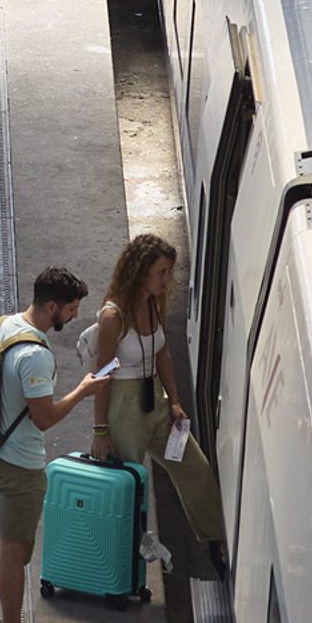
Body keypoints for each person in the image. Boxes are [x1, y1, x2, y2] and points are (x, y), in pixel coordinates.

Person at [0, 263, 114, 623]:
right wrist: (82, 391)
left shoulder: (4, 325)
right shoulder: (35, 355)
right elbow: (44, 417)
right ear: (52, 306)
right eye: (71, 308)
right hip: (19, 467)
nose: (74, 316)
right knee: (13, 551)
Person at [89, 233, 227, 563]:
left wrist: (175, 401)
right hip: (124, 408)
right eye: (161, 272)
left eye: (168, 271)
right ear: (141, 271)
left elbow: (162, 352)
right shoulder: (113, 317)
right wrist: (101, 430)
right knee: (129, 488)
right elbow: (102, 376)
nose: (168, 279)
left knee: (195, 468)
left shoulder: (154, 301)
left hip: (156, 401)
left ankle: (215, 537)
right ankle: (122, 561)